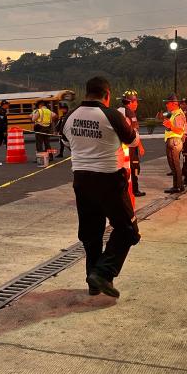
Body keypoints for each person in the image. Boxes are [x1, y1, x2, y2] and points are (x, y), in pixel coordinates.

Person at [61, 76, 140, 298]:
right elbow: (132, 140)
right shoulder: (111, 115)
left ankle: (93, 283)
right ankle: (103, 273)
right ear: (106, 95)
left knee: (91, 233)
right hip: (109, 180)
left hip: (81, 180)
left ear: (87, 93)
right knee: (128, 230)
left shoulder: (69, 117)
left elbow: (66, 143)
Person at [117, 90, 146, 197]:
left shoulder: (118, 111)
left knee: (122, 168)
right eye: (136, 102)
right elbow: (134, 132)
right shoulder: (130, 113)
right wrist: (140, 146)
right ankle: (135, 189)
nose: (137, 104)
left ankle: (124, 190)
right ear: (130, 102)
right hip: (130, 146)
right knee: (134, 168)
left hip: (120, 146)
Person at [162, 94, 186, 193]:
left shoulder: (178, 114)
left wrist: (170, 126)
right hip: (173, 141)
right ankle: (178, 185)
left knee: (175, 165)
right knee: (174, 165)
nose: (166, 105)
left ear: (173, 104)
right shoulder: (174, 113)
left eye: (167, 103)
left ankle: (178, 186)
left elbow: (180, 130)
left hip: (174, 141)